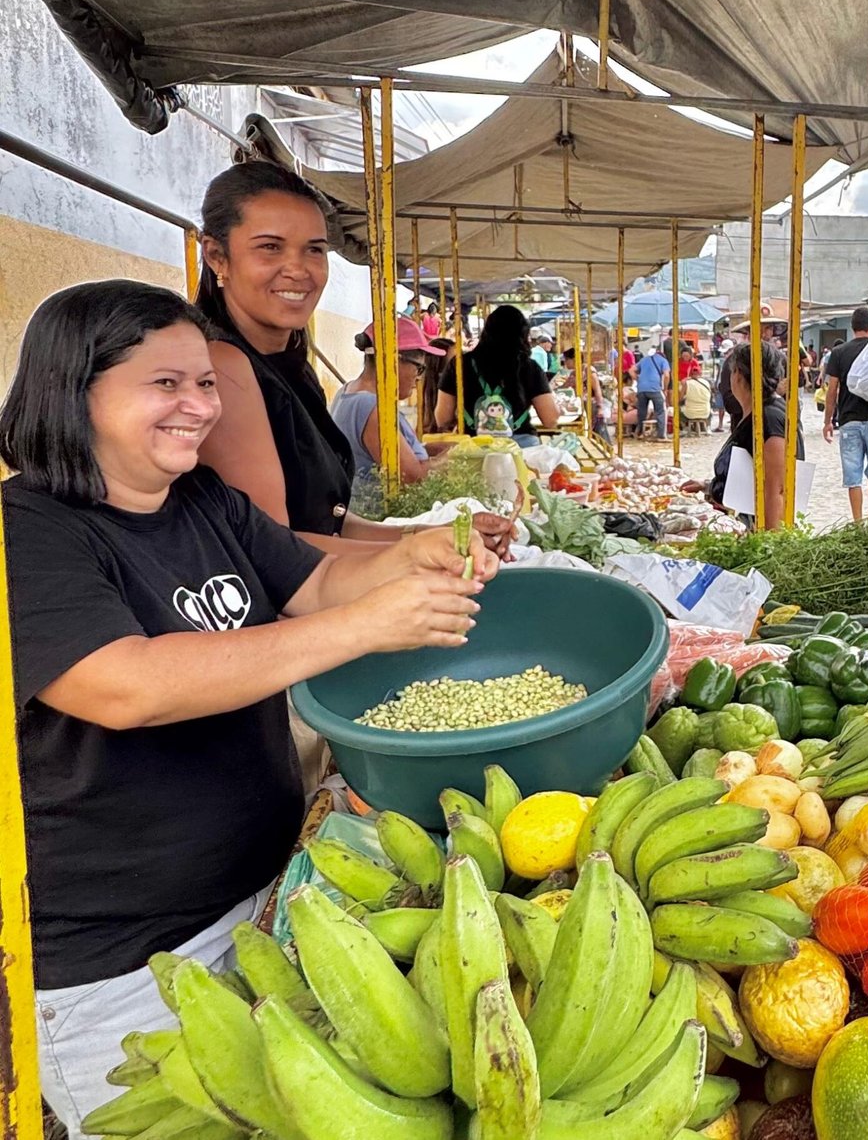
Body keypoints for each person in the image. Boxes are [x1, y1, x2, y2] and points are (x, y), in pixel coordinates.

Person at [1, 281, 496, 1136]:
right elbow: (125, 686)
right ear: (73, 388)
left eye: (205, 382)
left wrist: (410, 559)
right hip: (127, 961)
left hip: (263, 903)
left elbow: (317, 583)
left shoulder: (204, 501)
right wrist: (364, 627)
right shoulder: (27, 530)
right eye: (165, 384)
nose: (200, 406)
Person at [193, 164, 514, 557]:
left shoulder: (291, 364)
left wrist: (438, 534)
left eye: (314, 249)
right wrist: (415, 553)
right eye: (270, 247)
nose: (299, 269)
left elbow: (331, 522)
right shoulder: (221, 368)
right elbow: (274, 551)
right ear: (216, 256)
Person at [330, 317, 446, 485]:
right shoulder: (372, 408)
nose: (419, 378)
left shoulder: (346, 392)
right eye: (419, 368)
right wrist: (454, 457)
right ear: (393, 361)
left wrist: (428, 448)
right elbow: (410, 477)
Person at [704, 341, 804, 527]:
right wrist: (710, 486)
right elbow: (748, 475)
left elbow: (777, 491)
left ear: (738, 375)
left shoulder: (770, 418)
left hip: (755, 530)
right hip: (741, 524)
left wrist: (768, 541)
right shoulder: (756, 412)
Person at [434, 303, 558, 443]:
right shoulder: (530, 367)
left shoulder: (458, 365)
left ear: (485, 331)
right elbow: (550, 420)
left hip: (473, 446)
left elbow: (443, 419)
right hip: (520, 446)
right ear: (523, 335)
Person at [823, 306, 868, 520]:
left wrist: (827, 421)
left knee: (853, 475)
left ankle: (857, 521)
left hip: (849, 419)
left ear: (852, 327)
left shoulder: (838, 353)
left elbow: (832, 390)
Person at [633, 343, 671, 440]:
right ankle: (661, 435)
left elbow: (631, 370)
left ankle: (640, 433)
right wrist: (665, 389)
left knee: (642, 412)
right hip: (655, 389)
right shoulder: (663, 360)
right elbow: (667, 375)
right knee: (661, 411)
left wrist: (638, 380)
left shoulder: (644, 360)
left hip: (641, 389)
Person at [680, 362, 713, 427]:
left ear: (690, 374)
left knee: (679, 411)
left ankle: (684, 427)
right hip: (705, 413)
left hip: (690, 413)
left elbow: (680, 398)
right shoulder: (706, 383)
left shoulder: (687, 383)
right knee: (710, 412)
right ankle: (706, 426)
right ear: (700, 373)